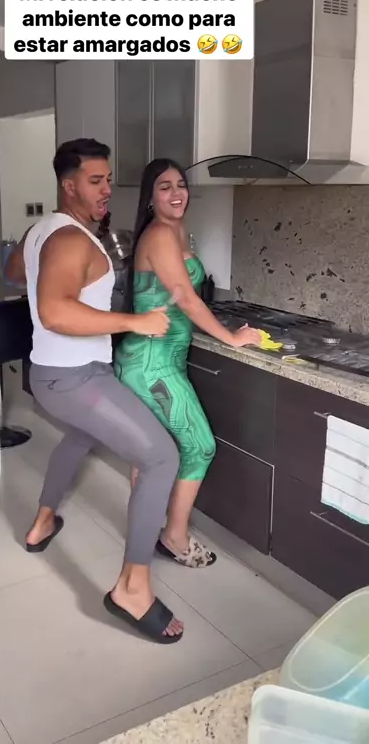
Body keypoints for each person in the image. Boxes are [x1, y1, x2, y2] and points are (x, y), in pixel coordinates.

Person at [4, 138, 185, 645]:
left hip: (51, 374)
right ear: (69, 185)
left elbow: (14, 271)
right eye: (95, 181)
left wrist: (56, 276)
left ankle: (42, 522)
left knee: (81, 437)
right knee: (161, 458)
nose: (107, 189)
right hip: (77, 377)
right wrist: (135, 322)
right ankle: (133, 589)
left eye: (108, 179)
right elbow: (55, 311)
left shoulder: (43, 231)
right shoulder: (72, 239)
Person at [113, 158, 262, 569]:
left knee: (150, 454)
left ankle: (144, 534)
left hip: (157, 358)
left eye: (181, 184)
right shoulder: (161, 234)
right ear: (150, 197)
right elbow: (185, 298)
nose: (177, 193)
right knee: (199, 446)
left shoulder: (172, 230)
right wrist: (230, 336)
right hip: (152, 364)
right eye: (165, 187)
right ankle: (174, 537)